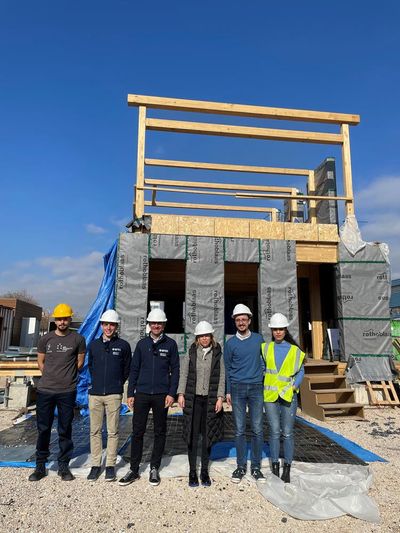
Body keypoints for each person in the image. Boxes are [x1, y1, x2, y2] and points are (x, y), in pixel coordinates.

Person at [118, 308, 180, 487]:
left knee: (160, 431)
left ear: (163, 324)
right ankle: (134, 469)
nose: (156, 326)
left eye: (159, 323)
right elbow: (134, 369)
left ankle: (154, 468)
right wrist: (130, 393)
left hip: (162, 395)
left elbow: (175, 370)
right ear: (149, 325)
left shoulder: (171, 345)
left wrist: (171, 393)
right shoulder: (142, 345)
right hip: (143, 394)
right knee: (138, 431)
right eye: (153, 323)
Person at [29, 303, 86, 482]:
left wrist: (66, 377)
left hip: (67, 392)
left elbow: (80, 363)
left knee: (65, 428)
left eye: (65, 318)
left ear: (70, 319)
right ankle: (40, 466)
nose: (62, 322)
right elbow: (40, 363)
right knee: (43, 428)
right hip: (45, 391)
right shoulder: (46, 339)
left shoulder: (78, 339)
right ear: (55, 320)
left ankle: (63, 466)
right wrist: (51, 376)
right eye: (59, 319)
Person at [177, 321, 225, 487]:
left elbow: (222, 376)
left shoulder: (217, 353)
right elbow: (183, 375)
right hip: (194, 399)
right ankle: (192, 472)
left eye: (207, 335)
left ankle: (204, 471)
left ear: (211, 337)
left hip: (210, 400)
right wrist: (181, 394)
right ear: (197, 338)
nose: (204, 338)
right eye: (201, 336)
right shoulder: (191, 353)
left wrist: (220, 397)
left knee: (207, 436)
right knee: (192, 435)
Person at [86, 309, 132, 482]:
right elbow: (91, 366)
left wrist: (118, 383)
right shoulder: (94, 345)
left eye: (112, 324)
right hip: (95, 394)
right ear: (101, 325)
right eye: (106, 324)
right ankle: (96, 465)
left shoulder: (123, 346)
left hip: (114, 394)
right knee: (95, 431)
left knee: (113, 431)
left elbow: (127, 368)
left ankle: (110, 465)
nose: (108, 328)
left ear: (116, 326)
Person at [224, 304, 265, 483]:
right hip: (238, 389)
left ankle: (256, 467)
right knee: (240, 430)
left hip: (256, 388)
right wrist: (228, 391)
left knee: (257, 429)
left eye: (244, 319)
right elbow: (227, 368)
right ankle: (241, 467)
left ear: (249, 320)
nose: (241, 322)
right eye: (238, 319)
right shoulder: (230, 343)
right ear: (234, 321)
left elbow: (264, 362)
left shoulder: (259, 340)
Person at [262, 313, 305, 484]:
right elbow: (262, 368)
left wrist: (294, 387)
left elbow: (301, 371)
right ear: (272, 331)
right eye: (275, 329)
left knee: (287, 433)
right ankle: (274, 466)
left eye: (281, 329)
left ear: (286, 330)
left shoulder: (295, 351)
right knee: (273, 431)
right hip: (271, 395)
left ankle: (286, 467)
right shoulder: (265, 348)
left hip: (288, 395)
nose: (278, 332)